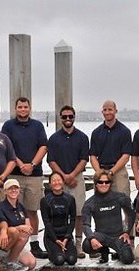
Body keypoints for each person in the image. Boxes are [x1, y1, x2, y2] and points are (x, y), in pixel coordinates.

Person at [1, 97, 49, 259]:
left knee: (32, 210)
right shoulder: (8, 126)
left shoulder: (37, 125)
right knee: (12, 210)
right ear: (15, 109)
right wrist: (21, 164)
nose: (22, 109)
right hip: (14, 175)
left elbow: (44, 146)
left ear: (30, 108)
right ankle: (15, 245)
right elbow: (8, 147)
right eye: (20, 107)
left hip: (34, 175)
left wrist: (32, 164)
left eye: (25, 107)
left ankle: (34, 244)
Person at [47, 105, 89, 258]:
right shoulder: (54, 138)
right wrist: (63, 176)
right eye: (64, 117)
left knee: (78, 214)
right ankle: (59, 243)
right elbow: (50, 160)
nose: (67, 119)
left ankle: (78, 245)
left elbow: (84, 159)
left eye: (70, 116)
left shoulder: (83, 137)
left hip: (77, 178)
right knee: (59, 214)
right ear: (60, 118)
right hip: (59, 179)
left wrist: (72, 175)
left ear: (74, 117)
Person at [81, 169, 135, 264]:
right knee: (86, 245)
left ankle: (118, 253)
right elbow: (85, 225)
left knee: (128, 259)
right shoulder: (90, 203)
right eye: (100, 182)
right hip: (101, 236)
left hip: (118, 236)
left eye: (107, 182)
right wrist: (91, 238)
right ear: (96, 184)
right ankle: (103, 251)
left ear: (110, 183)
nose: (104, 184)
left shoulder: (120, 197)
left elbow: (131, 214)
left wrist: (127, 232)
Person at [89, 100, 132, 196]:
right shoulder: (96, 132)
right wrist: (99, 172)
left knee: (123, 201)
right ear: (102, 112)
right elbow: (92, 156)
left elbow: (126, 156)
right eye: (105, 110)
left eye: (110, 109)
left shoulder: (124, 131)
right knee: (99, 203)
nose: (107, 112)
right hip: (101, 170)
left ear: (116, 111)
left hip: (118, 171)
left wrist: (112, 172)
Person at [40, 171, 78, 266]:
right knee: (60, 260)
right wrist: (56, 240)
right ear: (50, 184)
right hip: (51, 237)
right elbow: (46, 222)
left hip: (66, 235)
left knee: (72, 260)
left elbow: (73, 220)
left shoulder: (70, 199)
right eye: (54, 181)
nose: (56, 182)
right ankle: (54, 253)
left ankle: (63, 251)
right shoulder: (45, 200)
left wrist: (66, 238)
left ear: (63, 182)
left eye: (59, 180)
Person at [0, 179, 37, 271]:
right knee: (21, 235)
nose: (13, 191)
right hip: (6, 242)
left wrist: (26, 228)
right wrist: (20, 227)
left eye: (16, 188)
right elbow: (1, 226)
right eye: (10, 188)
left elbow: (29, 227)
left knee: (31, 263)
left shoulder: (21, 206)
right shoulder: (0, 207)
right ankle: (9, 262)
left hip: (18, 243)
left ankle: (13, 259)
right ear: (5, 191)